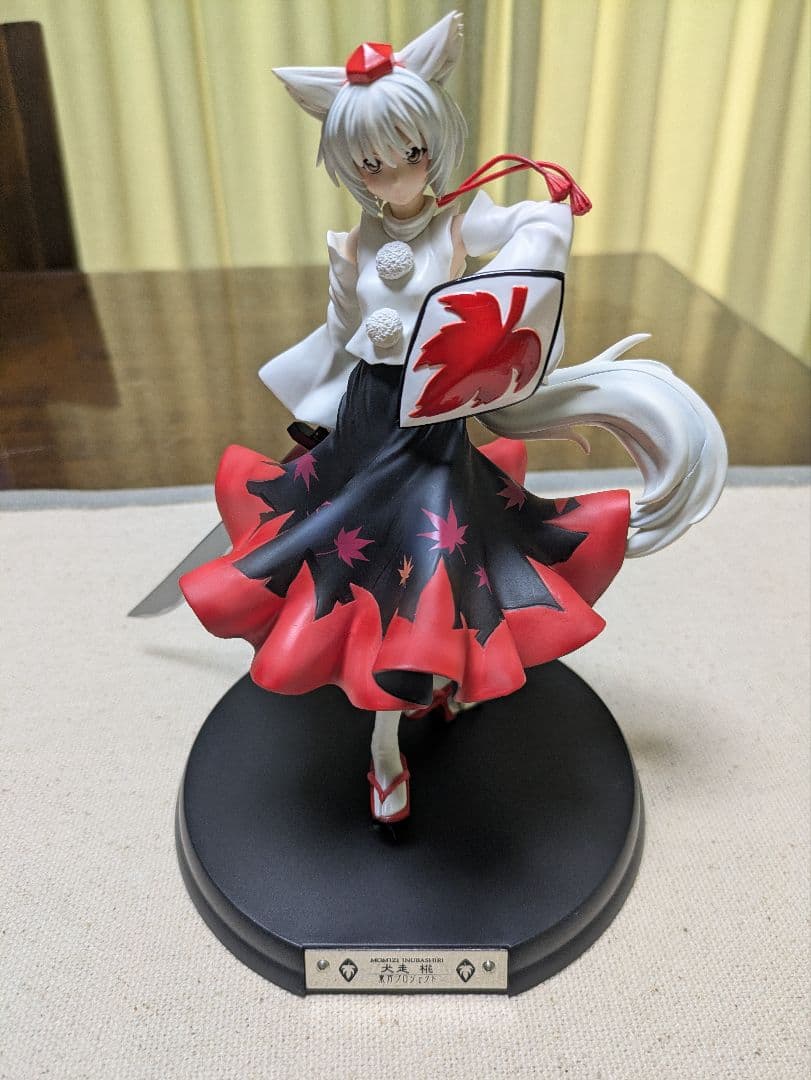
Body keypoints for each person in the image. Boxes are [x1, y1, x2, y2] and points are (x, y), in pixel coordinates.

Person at [180, 12, 726, 825]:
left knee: (435, 567)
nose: (395, 175)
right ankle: (383, 752)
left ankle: (428, 689)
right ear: (350, 169)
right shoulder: (352, 246)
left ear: (434, 144)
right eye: (371, 163)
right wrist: (338, 375)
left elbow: (533, 234)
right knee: (354, 576)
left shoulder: (461, 220)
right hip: (369, 421)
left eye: (410, 153)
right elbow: (339, 335)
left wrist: (536, 243)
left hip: (432, 435)